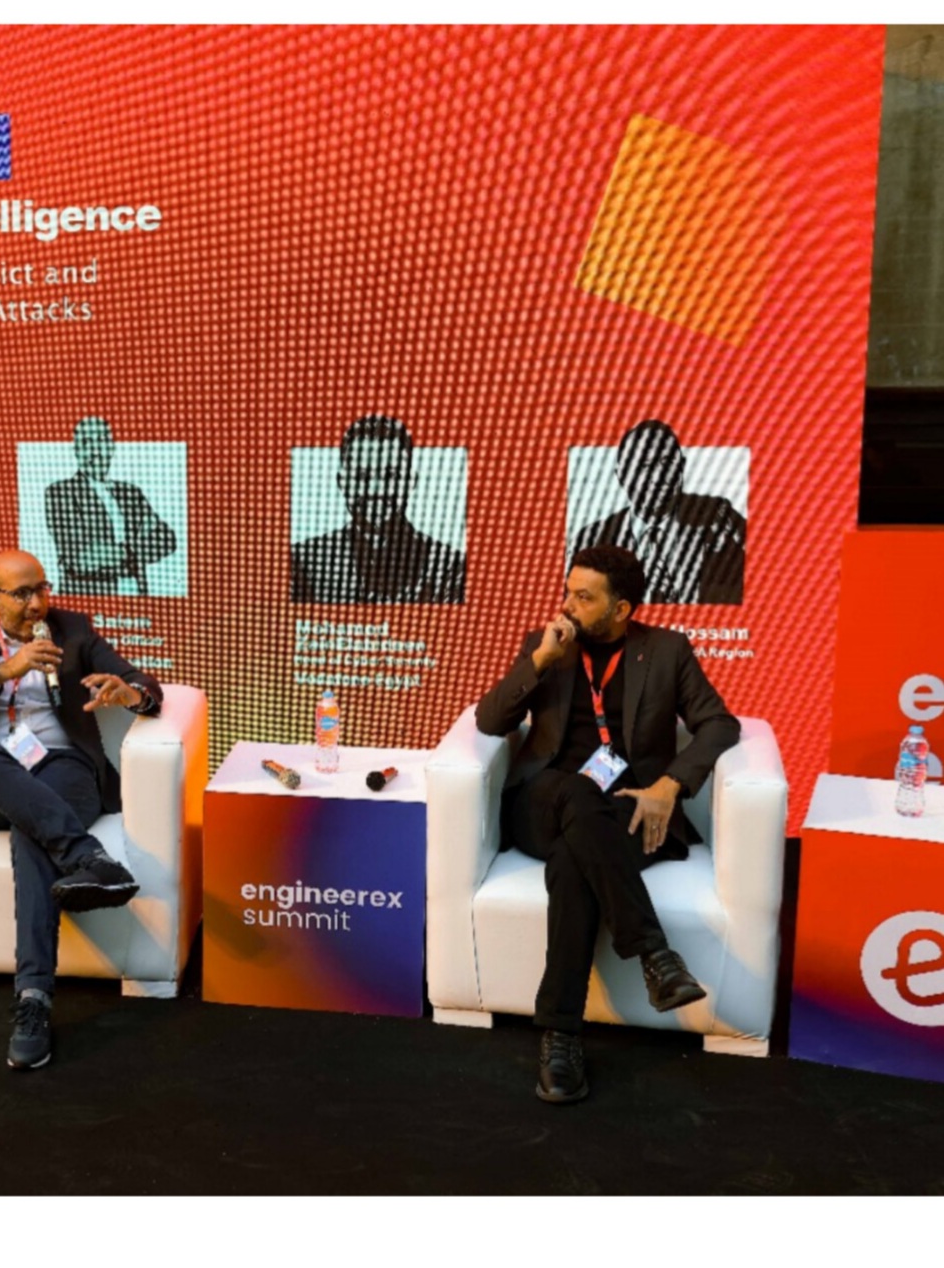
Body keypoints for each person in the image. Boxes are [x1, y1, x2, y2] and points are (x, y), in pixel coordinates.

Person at [475, 545, 739, 1103]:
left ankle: (560, 1037)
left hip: (626, 809)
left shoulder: (666, 650)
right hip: (544, 801)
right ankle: (653, 954)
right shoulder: (546, 645)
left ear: (621, 609)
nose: (567, 605)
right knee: (576, 790)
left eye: (583, 597)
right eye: (567, 591)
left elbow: (719, 724)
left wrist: (669, 785)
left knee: (574, 862)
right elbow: (490, 720)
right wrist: (540, 661)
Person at [0, 549, 164, 1070]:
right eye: (22, 594)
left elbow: (144, 685)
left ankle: (33, 1000)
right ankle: (88, 857)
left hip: (63, 769)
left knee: (33, 830)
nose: (37, 604)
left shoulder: (73, 629)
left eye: (42, 589)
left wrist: (129, 694)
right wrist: (5, 669)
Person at [290, 414, 466, 604]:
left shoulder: (449, 568)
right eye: (361, 476)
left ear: (410, 481)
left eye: (390, 476)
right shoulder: (303, 563)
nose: (376, 490)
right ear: (342, 482)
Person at [569, 420, 746, 604]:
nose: (658, 477)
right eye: (645, 465)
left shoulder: (719, 520)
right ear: (621, 475)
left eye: (667, 463)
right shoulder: (591, 540)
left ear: (681, 466)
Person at [44, 416, 177, 596]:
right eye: (86, 442)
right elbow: (79, 558)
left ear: (112, 447)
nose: (95, 451)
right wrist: (137, 547)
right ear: (76, 450)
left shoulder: (131, 493)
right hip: (90, 600)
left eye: (101, 441)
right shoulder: (61, 492)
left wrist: (109, 551)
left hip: (138, 598)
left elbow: (167, 540)